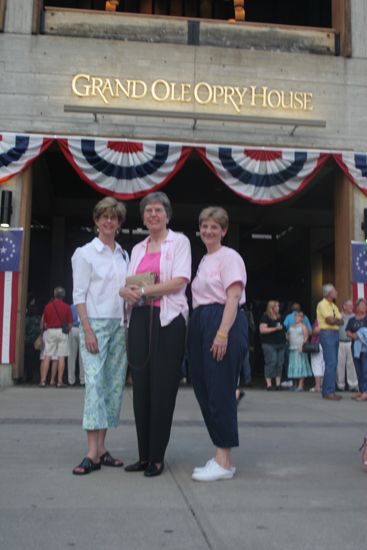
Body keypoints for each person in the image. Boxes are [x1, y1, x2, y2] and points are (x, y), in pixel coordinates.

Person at [120, 191, 191, 478]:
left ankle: (157, 457)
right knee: (142, 389)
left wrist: (146, 291)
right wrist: (124, 291)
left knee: (162, 390)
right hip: (140, 317)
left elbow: (179, 280)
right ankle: (143, 454)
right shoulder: (137, 249)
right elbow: (128, 282)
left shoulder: (180, 242)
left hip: (168, 319)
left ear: (167, 214)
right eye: (148, 210)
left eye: (158, 210)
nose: (153, 215)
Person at [188, 206, 247, 482]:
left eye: (214, 226)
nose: (208, 231)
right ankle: (223, 457)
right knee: (203, 387)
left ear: (223, 230)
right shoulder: (204, 260)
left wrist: (222, 333)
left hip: (222, 318)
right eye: (204, 226)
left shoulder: (229, 257)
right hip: (201, 320)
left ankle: (223, 461)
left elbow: (233, 297)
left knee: (220, 389)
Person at [71, 197, 129, 475]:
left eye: (114, 218)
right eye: (104, 217)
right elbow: (79, 295)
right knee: (94, 384)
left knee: (112, 386)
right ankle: (91, 452)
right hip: (94, 323)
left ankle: (102, 448)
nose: (109, 222)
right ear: (96, 221)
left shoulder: (123, 255)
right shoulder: (85, 253)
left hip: (119, 325)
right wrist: (87, 328)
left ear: (118, 223)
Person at [39, 287, 72, 388]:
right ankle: (59, 381)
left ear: (54, 294)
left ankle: (43, 380)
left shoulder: (48, 307)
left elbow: (44, 322)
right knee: (61, 356)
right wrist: (67, 330)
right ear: (64, 295)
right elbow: (70, 323)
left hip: (50, 331)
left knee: (47, 355)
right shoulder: (67, 307)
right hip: (62, 332)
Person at [316, 283, 344, 401]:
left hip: (334, 334)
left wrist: (335, 321)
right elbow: (329, 320)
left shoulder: (333, 305)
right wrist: (335, 321)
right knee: (331, 363)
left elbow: (340, 321)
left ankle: (330, 390)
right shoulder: (322, 304)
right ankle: (328, 391)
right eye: (334, 291)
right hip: (327, 333)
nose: (336, 292)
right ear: (329, 293)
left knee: (333, 363)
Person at [259, 301, 286, 390]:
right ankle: (269, 384)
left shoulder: (279, 317)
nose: (278, 307)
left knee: (280, 363)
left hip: (281, 343)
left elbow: (283, 328)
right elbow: (262, 330)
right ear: (272, 307)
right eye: (277, 306)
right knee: (272, 361)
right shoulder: (265, 317)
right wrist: (275, 328)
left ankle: (278, 384)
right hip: (269, 344)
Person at [346, 299, 367, 401]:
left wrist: (360, 335)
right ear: (357, 307)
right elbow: (348, 331)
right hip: (355, 348)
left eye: (365, 305)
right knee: (358, 370)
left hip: (365, 349)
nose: (364, 307)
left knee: (365, 370)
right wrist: (353, 335)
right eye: (362, 305)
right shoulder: (352, 320)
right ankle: (361, 390)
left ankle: (365, 392)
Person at [287, 311, 313, 391]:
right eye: (295, 316)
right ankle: (295, 384)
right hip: (292, 347)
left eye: (298, 316)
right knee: (293, 366)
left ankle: (300, 385)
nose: (296, 318)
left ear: (302, 318)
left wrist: (302, 346)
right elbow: (288, 335)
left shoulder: (303, 326)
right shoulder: (291, 326)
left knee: (301, 366)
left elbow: (306, 337)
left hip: (300, 348)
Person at [336, 299, 358, 392]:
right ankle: (340, 385)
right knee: (339, 364)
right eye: (349, 306)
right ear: (344, 306)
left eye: (352, 306)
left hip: (351, 342)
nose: (351, 308)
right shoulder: (338, 316)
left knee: (351, 364)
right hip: (340, 342)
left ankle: (352, 385)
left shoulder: (354, 317)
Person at [67, 303, 85, 387]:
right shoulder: (86, 305)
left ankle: (71, 380)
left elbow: (68, 320)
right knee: (83, 357)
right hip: (83, 329)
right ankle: (83, 380)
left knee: (71, 356)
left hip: (73, 329)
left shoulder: (71, 307)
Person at [309, 320, 324, 393]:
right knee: (325, 365)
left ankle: (317, 386)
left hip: (318, 343)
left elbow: (316, 331)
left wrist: (311, 332)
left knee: (316, 364)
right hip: (329, 344)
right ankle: (323, 385)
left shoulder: (320, 320)